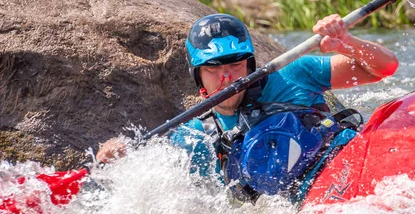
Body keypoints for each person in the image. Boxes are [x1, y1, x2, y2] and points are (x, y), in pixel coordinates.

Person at [97, 13, 398, 202]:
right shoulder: (194, 137)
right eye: (213, 68)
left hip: (350, 169)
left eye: (236, 65)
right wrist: (121, 154)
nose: (226, 77)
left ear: (250, 64)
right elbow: (152, 186)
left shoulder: (296, 74)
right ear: (197, 74)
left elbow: (385, 67)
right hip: (302, 211)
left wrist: (346, 42)